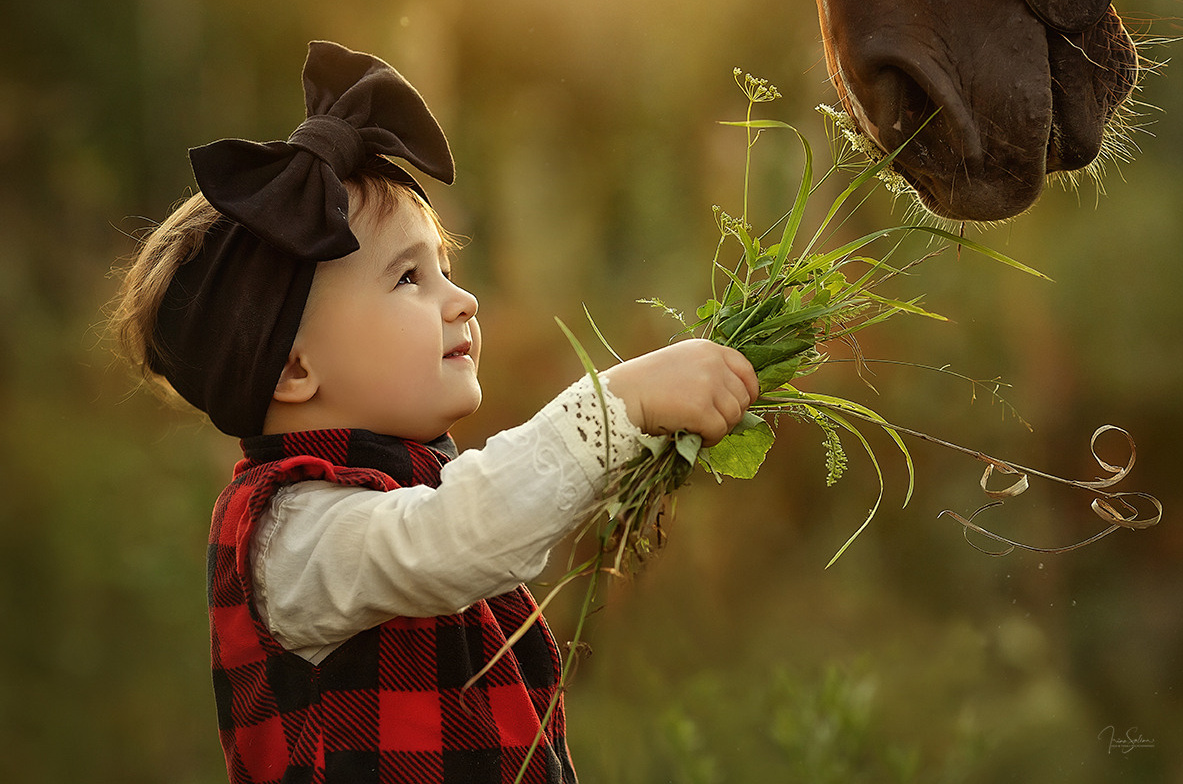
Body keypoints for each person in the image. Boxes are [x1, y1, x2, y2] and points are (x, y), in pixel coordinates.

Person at [111, 40, 758, 784]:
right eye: (409, 278)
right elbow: (461, 534)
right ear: (295, 366)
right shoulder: (294, 539)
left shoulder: (399, 484)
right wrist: (620, 402)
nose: (462, 299)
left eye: (444, 268)